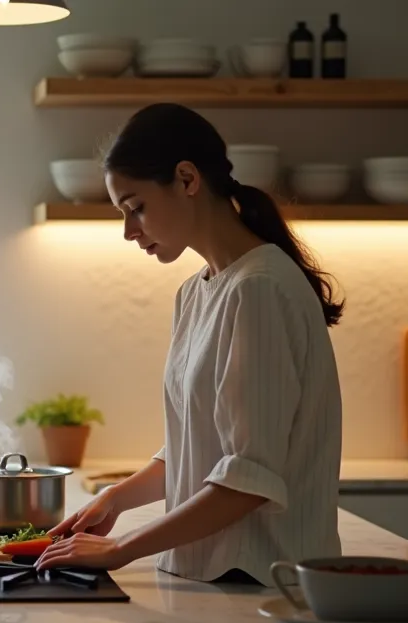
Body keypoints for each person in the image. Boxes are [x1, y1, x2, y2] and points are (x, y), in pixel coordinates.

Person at [36, 102, 345, 587]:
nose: (128, 231)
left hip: (260, 584)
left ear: (186, 179)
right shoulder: (197, 292)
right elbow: (200, 446)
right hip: (207, 578)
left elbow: (247, 480)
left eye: (135, 207)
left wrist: (120, 550)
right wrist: (116, 498)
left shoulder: (259, 289)